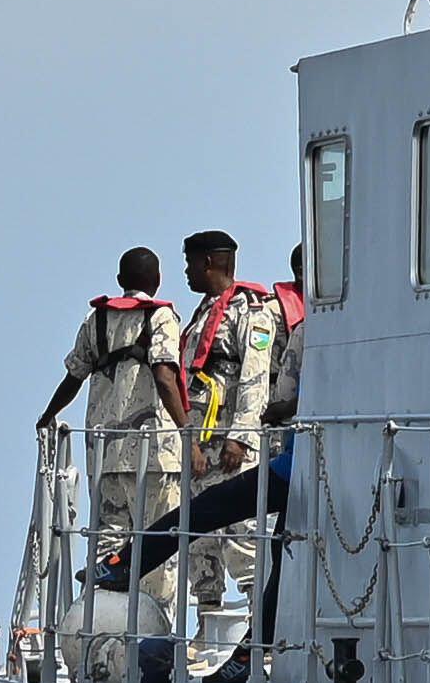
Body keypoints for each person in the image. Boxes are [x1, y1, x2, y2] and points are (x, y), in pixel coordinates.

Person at [172, 233, 291, 627]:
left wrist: (240, 437)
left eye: (190, 263)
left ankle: (260, 627)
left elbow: (255, 378)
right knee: (201, 540)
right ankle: (209, 623)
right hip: (201, 449)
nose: (186, 271)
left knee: (243, 537)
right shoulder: (203, 314)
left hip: (232, 448)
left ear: (208, 262)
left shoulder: (249, 313)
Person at [39, 249, 185, 562]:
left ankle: (103, 603)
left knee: (108, 540)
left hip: (104, 453)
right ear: (158, 281)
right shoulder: (161, 317)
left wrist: (47, 416)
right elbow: (164, 377)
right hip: (156, 453)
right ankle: (156, 609)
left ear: (120, 280)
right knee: (159, 540)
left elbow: (73, 377)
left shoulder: (96, 319)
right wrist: (188, 431)